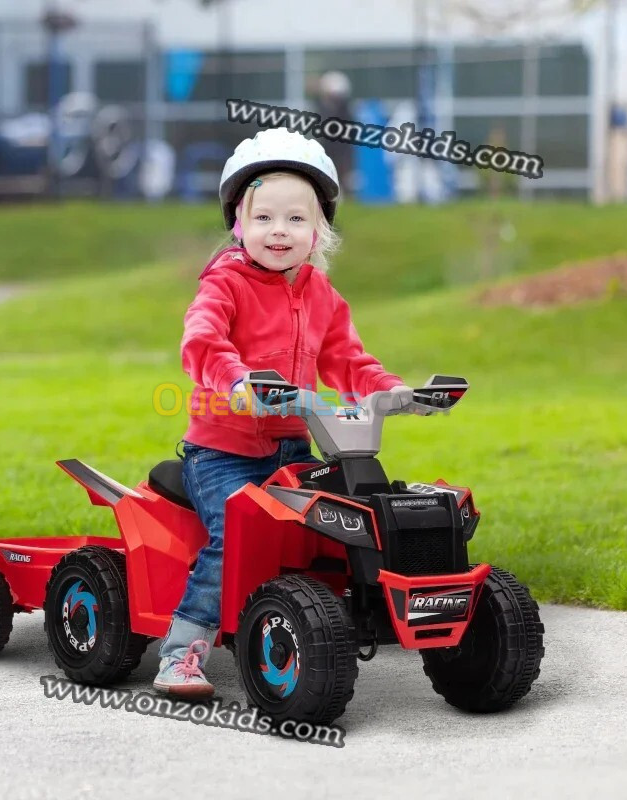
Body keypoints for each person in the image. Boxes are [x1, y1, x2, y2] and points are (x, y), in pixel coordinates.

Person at [153, 126, 414, 697]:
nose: (280, 230)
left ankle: (329, 626)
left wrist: (387, 390)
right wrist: (235, 380)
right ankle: (181, 652)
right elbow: (201, 341)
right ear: (238, 225)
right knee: (232, 539)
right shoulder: (224, 283)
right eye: (264, 217)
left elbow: (346, 358)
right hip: (223, 452)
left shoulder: (321, 293)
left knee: (336, 529)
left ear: (320, 228)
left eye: (297, 219)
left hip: (295, 445)